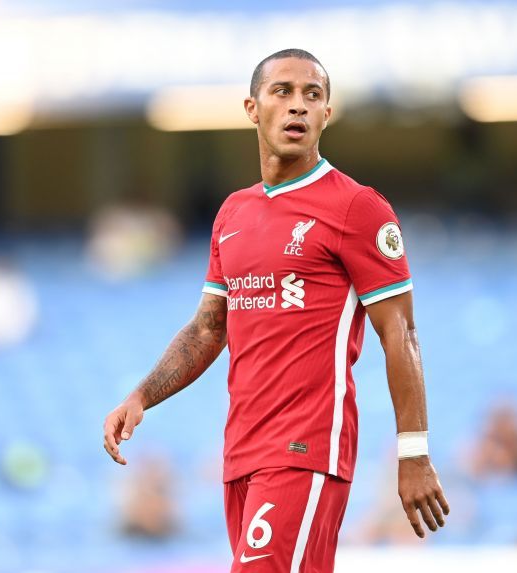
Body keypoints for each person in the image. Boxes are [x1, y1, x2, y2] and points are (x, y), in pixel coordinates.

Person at [103, 49, 449, 571]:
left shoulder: (356, 208)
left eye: (313, 96)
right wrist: (142, 396)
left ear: (326, 116)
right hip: (242, 453)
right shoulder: (233, 213)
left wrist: (414, 452)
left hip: (304, 450)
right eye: (282, 92)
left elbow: (400, 332)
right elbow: (207, 328)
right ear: (252, 107)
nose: (298, 107)